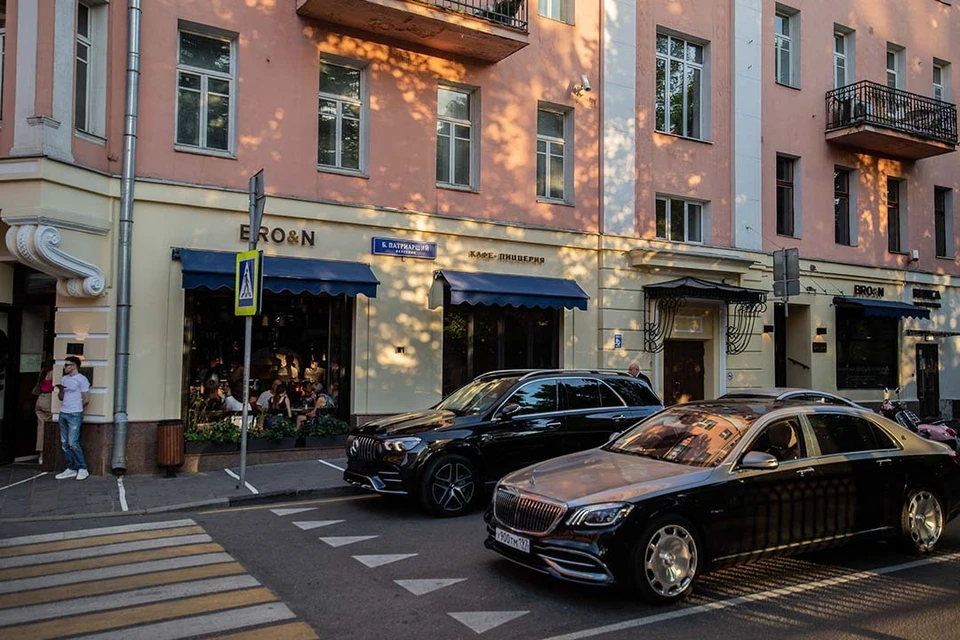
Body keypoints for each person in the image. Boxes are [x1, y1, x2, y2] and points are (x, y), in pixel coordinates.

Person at [55, 356, 90, 481]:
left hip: (74, 413)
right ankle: (71, 467)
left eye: (67, 365)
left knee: (72, 442)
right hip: (63, 412)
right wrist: (61, 390)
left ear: (74, 366)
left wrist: (77, 408)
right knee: (64, 443)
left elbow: (86, 399)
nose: (65, 367)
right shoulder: (64, 379)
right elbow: (61, 397)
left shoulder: (82, 379)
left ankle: (83, 468)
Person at [34, 362, 55, 465]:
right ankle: (48, 454)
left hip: (40, 399)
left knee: (41, 428)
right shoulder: (54, 372)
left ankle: (41, 454)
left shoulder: (43, 372)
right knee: (50, 428)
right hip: (49, 399)